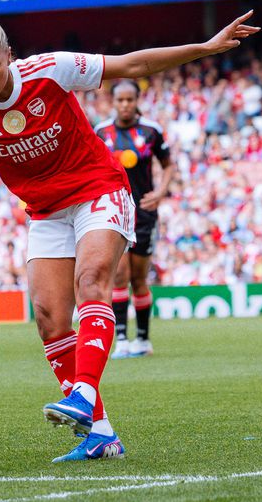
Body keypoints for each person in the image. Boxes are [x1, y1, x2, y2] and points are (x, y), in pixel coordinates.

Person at [0, 8, 259, 462]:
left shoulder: (51, 70)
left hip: (98, 189)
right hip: (47, 213)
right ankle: (102, 436)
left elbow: (132, 64)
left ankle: (84, 394)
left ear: (9, 55)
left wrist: (205, 48)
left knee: (91, 282)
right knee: (50, 317)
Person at [95, 81, 176, 359]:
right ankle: (122, 339)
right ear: (113, 101)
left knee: (139, 278)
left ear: (137, 100)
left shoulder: (151, 131)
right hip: (115, 210)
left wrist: (161, 191)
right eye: (121, 100)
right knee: (119, 275)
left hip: (144, 212)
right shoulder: (101, 131)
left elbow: (167, 164)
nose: (125, 104)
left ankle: (143, 339)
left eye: (130, 99)